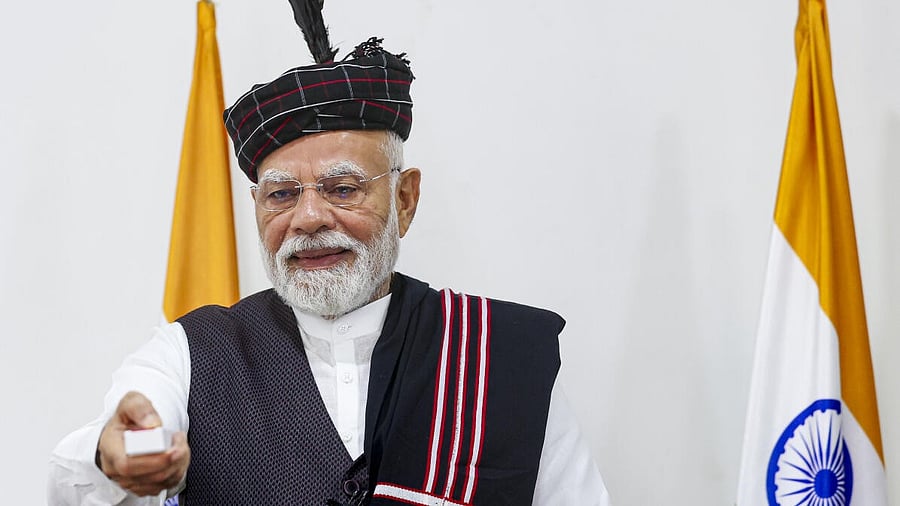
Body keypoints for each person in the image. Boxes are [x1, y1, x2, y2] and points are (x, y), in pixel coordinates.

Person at [48, 3, 611, 505]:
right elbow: (94, 465)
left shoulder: (502, 355)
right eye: (282, 194)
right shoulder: (188, 353)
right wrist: (115, 452)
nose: (309, 218)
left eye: (342, 189)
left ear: (405, 200)